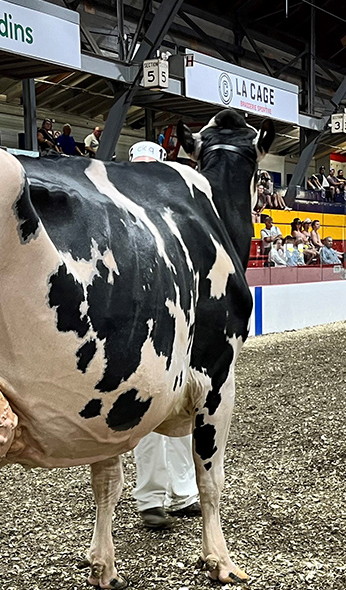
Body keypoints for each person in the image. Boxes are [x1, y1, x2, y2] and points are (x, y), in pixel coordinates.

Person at [124, 140, 201, 530]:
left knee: (185, 409)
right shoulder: (119, 216)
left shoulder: (178, 217)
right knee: (148, 415)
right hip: (139, 330)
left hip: (179, 327)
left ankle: (184, 492)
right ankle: (151, 498)